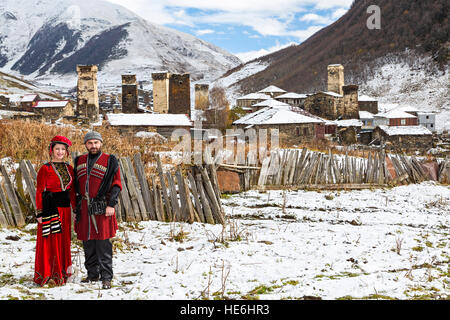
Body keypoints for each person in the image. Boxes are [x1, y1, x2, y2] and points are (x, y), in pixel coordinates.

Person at [74, 131, 122, 289]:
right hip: (84, 208)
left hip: (102, 207)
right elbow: (75, 186)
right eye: (90, 143)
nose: (93, 146)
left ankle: (106, 276)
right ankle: (92, 274)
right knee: (88, 243)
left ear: (101, 143)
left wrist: (111, 204)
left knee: (103, 243)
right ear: (85, 144)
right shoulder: (79, 160)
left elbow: (116, 184)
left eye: (96, 142)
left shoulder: (110, 160)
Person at [34, 135, 76, 286]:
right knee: (50, 240)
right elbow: (39, 191)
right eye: (57, 149)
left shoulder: (69, 168)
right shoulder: (45, 168)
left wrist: (75, 208)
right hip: (50, 210)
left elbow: (71, 192)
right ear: (51, 150)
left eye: (63, 149)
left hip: (65, 211)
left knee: (64, 241)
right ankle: (48, 274)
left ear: (66, 152)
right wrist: (40, 213)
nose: (60, 152)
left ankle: (62, 273)